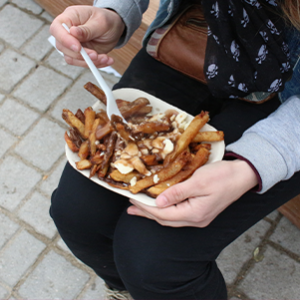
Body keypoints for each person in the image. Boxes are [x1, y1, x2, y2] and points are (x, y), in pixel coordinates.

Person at [49, 0, 300, 299]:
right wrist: (113, 14)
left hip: (289, 96)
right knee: (76, 215)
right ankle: (131, 292)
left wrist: (253, 164)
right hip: (197, 30)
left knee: (153, 260)